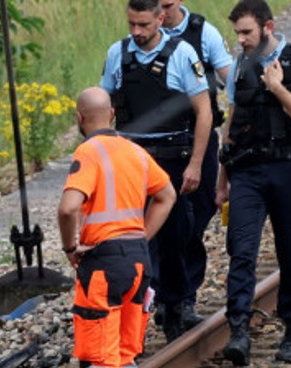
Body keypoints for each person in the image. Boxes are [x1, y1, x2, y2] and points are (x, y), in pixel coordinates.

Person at [58, 87, 177, 368]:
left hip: (103, 264)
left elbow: (69, 207)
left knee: (100, 362)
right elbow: (167, 195)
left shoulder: (88, 153)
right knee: (125, 359)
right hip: (138, 263)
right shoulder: (135, 152)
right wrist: (142, 236)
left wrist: (70, 246)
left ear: (80, 118)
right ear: (111, 114)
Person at [215, 0, 291, 365]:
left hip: (289, 169)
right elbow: (231, 125)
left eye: (247, 32)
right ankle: (239, 330)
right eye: (237, 33)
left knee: (290, 249)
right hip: (247, 171)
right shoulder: (239, 66)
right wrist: (221, 181)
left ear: (268, 27)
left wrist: (277, 87)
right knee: (241, 250)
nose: (241, 40)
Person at [100, 0, 211, 342]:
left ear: (160, 19)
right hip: (131, 156)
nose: (137, 32)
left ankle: (175, 305)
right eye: (132, 24)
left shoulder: (182, 54)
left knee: (175, 234)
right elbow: (102, 104)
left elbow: (204, 113)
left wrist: (195, 164)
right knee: (131, 238)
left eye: (144, 25)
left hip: (172, 158)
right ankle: (135, 310)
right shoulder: (118, 54)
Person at [160, 0, 235, 331]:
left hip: (198, 137)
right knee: (163, 218)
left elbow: (229, 78)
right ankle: (172, 296)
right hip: (159, 143)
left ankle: (179, 294)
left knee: (199, 211)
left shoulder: (204, 33)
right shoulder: (142, 35)